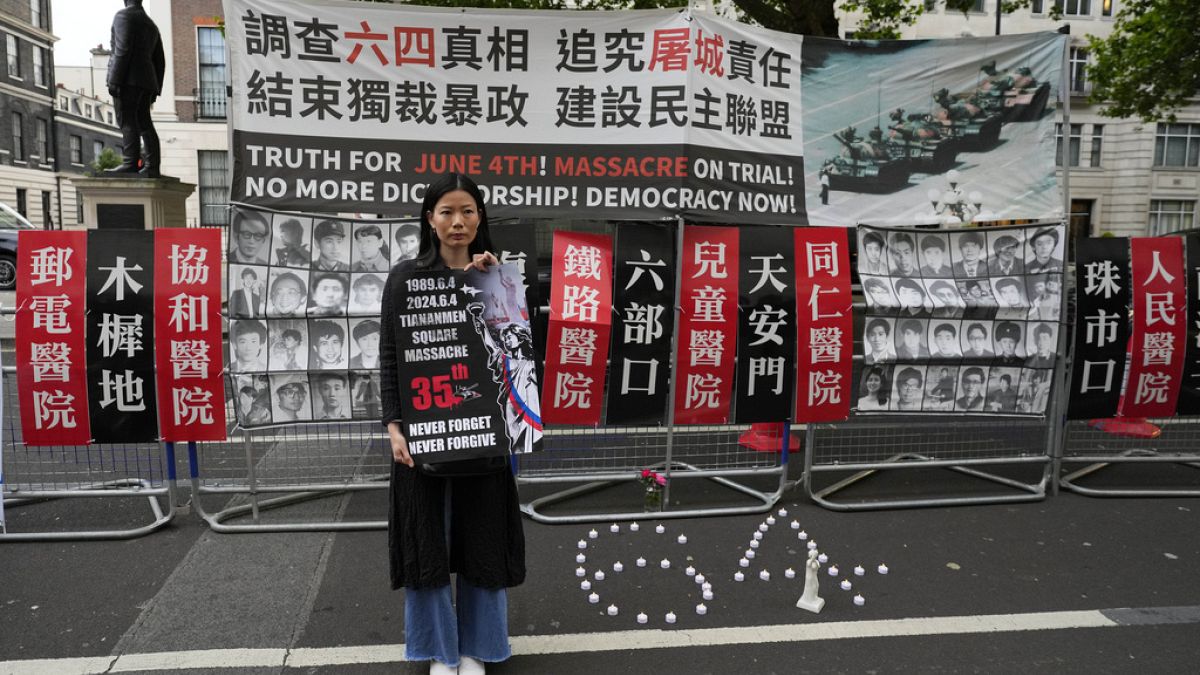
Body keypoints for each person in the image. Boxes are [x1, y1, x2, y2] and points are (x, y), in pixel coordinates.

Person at [379, 172, 524, 674]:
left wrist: (494, 282)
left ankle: (477, 648)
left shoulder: (497, 279)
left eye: (467, 211)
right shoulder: (404, 278)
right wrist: (394, 425)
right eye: (447, 211)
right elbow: (392, 356)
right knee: (428, 540)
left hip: (484, 434)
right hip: (424, 435)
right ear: (430, 220)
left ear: (479, 217)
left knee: (482, 538)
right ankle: (440, 651)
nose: (457, 221)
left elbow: (517, 357)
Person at [103, 0, 165, 177]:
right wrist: (155, 87)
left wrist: (114, 79)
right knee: (144, 122)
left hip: (128, 79)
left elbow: (122, 49)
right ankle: (152, 166)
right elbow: (159, 60)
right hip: (147, 80)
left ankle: (130, 163)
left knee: (127, 120)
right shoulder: (151, 24)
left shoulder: (123, 16)